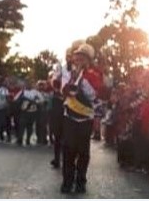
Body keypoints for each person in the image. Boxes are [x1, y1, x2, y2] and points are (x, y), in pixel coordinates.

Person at [60, 42, 104, 194]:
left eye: (82, 57)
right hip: (70, 115)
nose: (78, 59)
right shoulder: (67, 72)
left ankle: (80, 182)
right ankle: (67, 181)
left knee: (83, 152)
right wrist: (72, 80)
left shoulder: (94, 76)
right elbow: (63, 91)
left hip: (85, 117)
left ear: (88, 60)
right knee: (68, 150)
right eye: (77, 56)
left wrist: (83, 79)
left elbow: (94, 95)